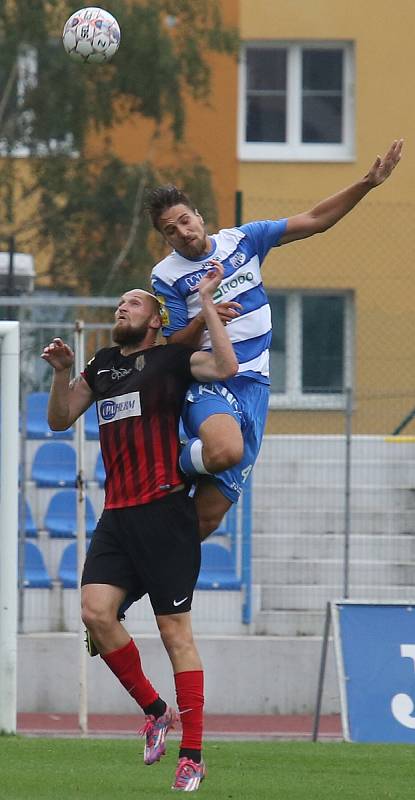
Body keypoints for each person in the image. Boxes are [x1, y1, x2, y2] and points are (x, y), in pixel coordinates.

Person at [41, 261, 238, 793]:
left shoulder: (172, 359)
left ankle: (192, 755)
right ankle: (155, 711)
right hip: (118, 518)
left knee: (176, 634)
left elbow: (225, 368)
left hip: (165, 514)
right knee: (95, 613)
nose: (121, 308)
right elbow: (60, 420)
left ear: (155, 318)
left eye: (132, 302)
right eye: (119, 304)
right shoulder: (102, 364)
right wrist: (62, 373)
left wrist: (206, 305)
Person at [149, 138, 404, 540]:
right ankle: (167, 459)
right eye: (171, 230)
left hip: (257, 386)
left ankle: (141, 583)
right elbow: (174, 348)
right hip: (212, 382)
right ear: (166, 239)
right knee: (225, 451)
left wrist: (367, 183)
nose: (182, 232)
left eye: (185, 220)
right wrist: (206, 315)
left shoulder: (245, 240)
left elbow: (316, 219)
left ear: (199, 216)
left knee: (206, 519)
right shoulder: (166, 276)